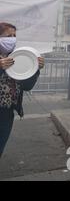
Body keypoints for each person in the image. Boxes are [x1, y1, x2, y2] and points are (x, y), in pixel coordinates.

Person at [0, 22, 44, 157]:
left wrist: (35, 69)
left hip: (7, 112)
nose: (12, 39)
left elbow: (26, 86)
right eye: (8, 35)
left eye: (14, 36)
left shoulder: (18, 57)